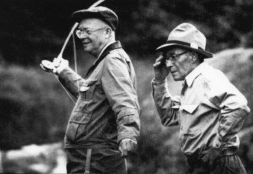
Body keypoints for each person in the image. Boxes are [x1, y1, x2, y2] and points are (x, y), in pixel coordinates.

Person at [40, 6, 140, 174]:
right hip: (89, 156)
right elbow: (90, 96)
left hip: (94, 159)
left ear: (107, 32)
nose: (82, 36)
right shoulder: (108, 60)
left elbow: (125, 100)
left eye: (87, 31)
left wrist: (128, 134)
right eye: (79, 32)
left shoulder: (112, 61)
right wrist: (63, 72)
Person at [152, 23, 250, 174]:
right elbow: (168, 117)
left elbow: (239, 106)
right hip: (202, 165)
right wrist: (159, 82)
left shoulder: (207, 78)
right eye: (166, 58)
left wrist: (218, 146)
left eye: (173, 56)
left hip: (220, 165)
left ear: (193, 56)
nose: (169, 64)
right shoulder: (191, 85)